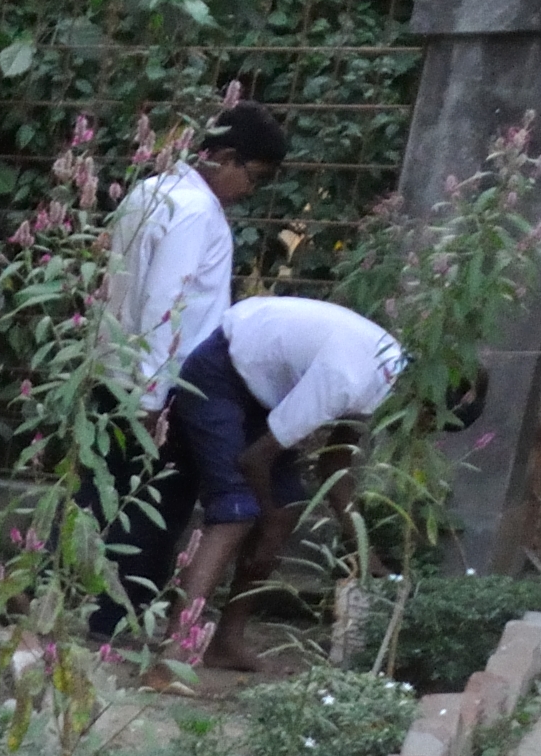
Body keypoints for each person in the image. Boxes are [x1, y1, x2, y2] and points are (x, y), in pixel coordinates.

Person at [92, 104, 289, 636]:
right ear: (224, 157)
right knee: (152, 509)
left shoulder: (148, 191)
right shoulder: (197, 212)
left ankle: (92, 608)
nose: (251, 189)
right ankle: (117, 620)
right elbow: (167, 303)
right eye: (254, 175)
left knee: (104, 494)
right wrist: (156, 395)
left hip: (113, 369)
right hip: (165, 384)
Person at [165, 289, 411, 676]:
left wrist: (365, 557)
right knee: (236, 511)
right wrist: (266, 522)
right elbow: (255, 458)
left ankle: (227, 643)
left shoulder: (386, 371)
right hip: (220, 372)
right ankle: (170, 659)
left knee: (289, 505)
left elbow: (334, 466)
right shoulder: (350, 378)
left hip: (260, 391)